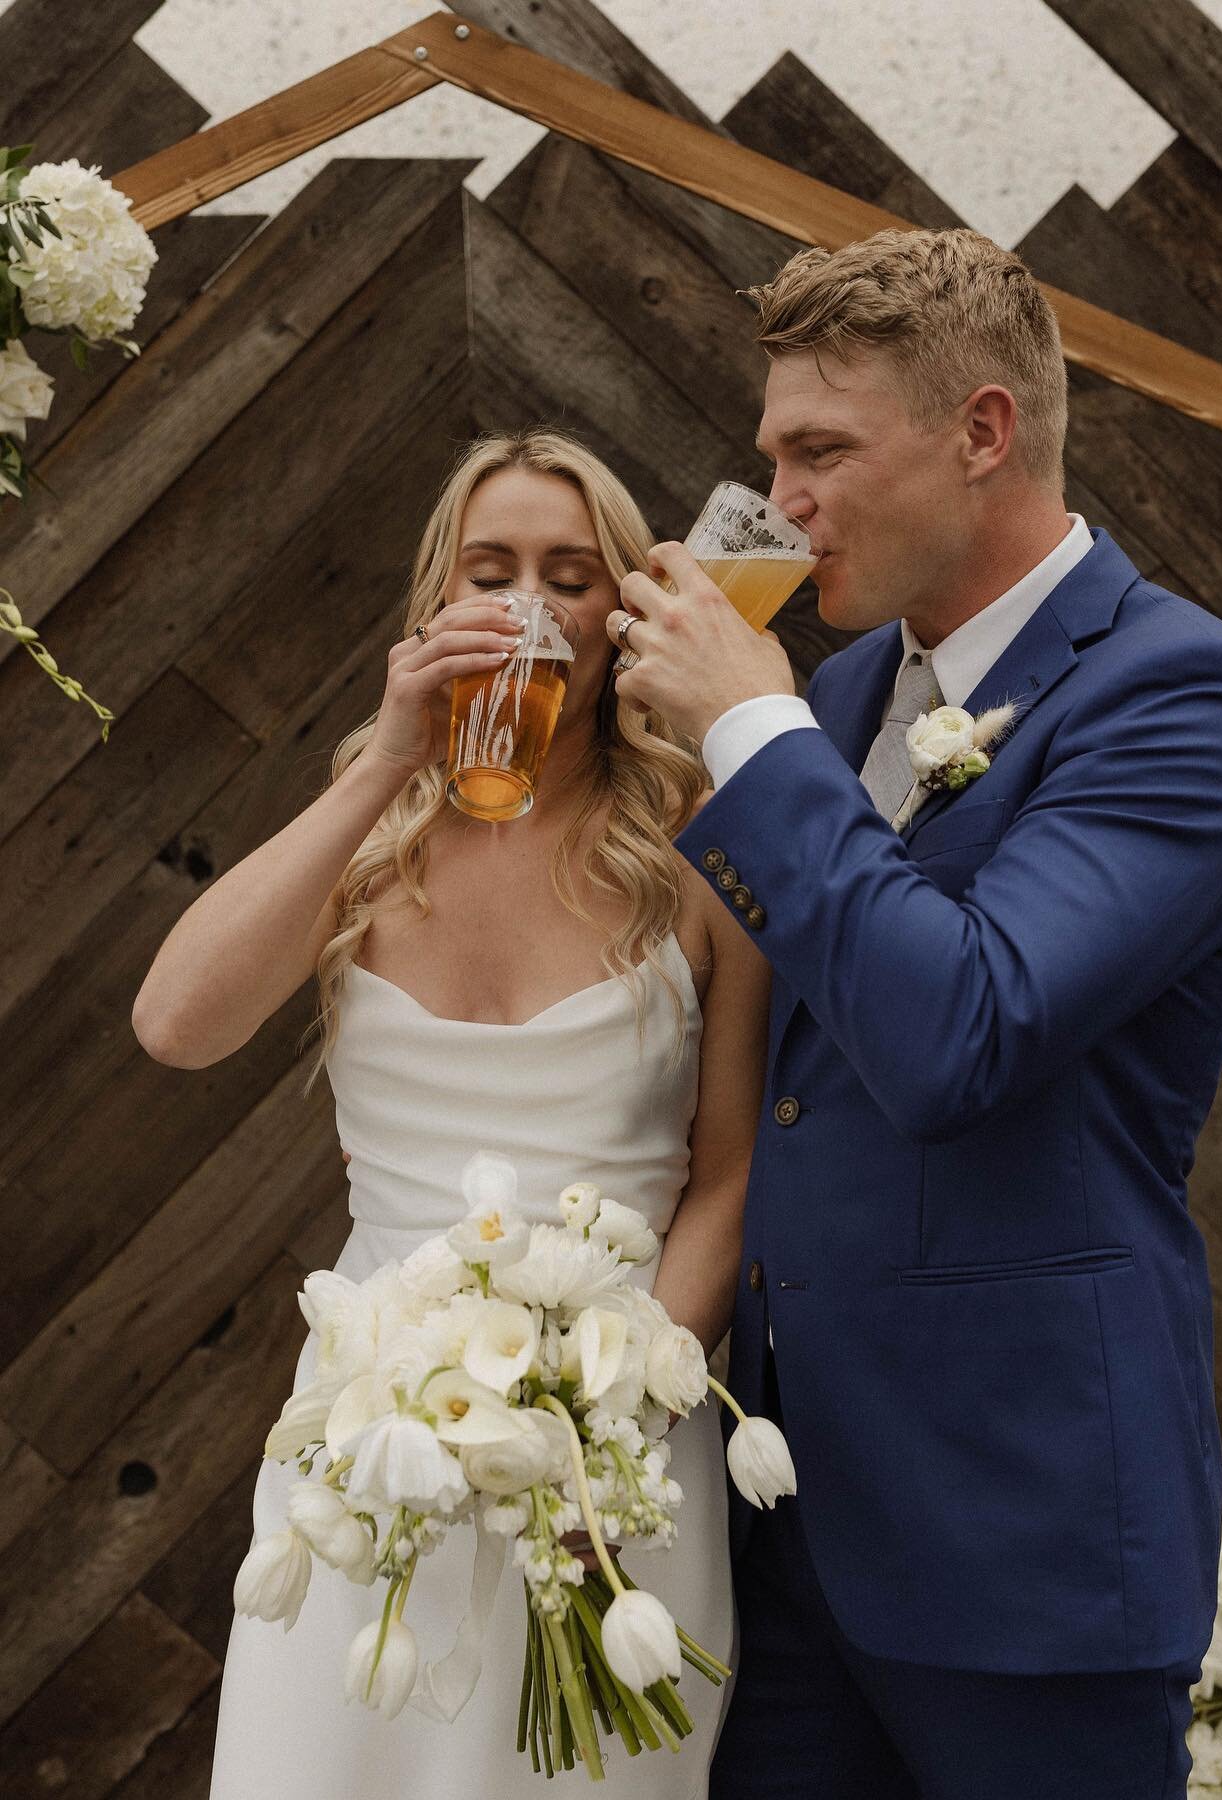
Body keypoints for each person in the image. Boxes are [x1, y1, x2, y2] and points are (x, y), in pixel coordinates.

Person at [604, 227, 1222, 1798]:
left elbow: (961, 1031)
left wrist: (755, 733)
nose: (784, 503)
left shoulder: (1179, 692)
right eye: (776, 455)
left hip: (1020, 1538)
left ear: (983, 432)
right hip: (779, 1532)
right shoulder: (838, 703)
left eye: (824, 452)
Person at [132, 428, 770, 1797]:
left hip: (622, 1459)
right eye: (492, 572)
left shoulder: (704, 838)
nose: (532, 607)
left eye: (571, 575)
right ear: (437, 605)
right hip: (366, 1440)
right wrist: (385, 764)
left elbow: (728, 1174)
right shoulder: (369, 837)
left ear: (624, 612)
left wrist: (619, 1433)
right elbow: (176, 1026)